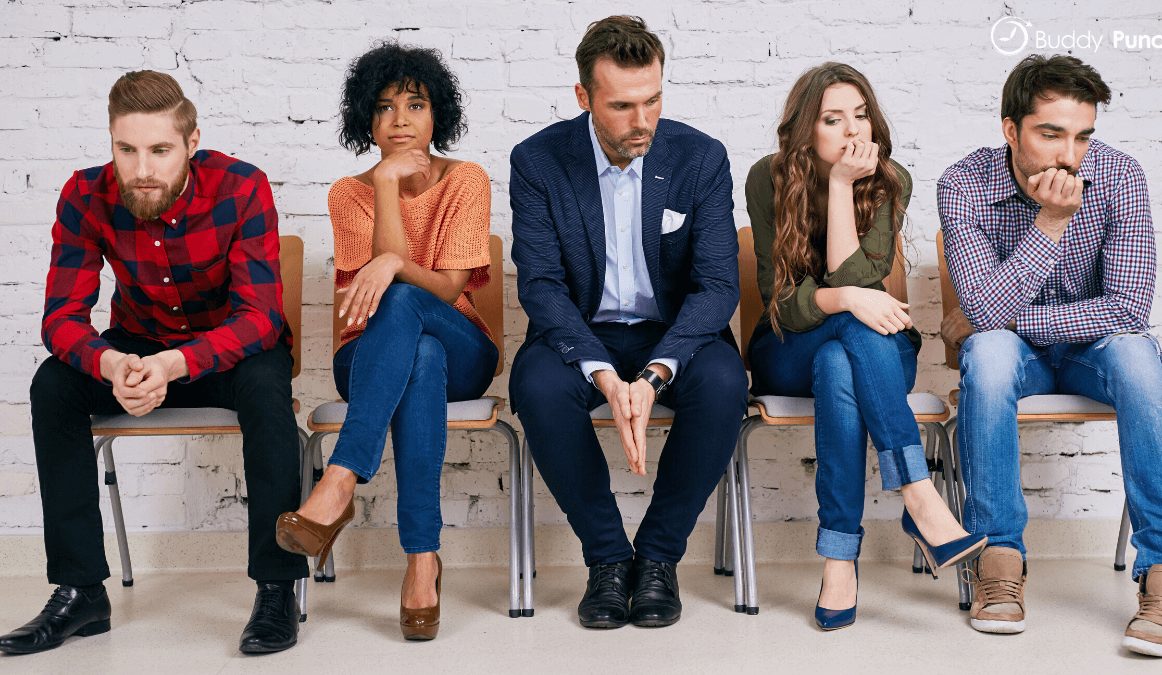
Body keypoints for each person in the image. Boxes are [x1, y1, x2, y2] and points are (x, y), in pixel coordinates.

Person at [0, 71, 307, 655]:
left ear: (191, 143)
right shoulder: (85, 194)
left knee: (269, 392)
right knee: (53, 387)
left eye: (160, 150)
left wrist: (178, 364)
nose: (142, 168)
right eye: (127, 149)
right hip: (137, 346)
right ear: (112, 142)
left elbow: (261, 317)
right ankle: (79, 592)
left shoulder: (241, 187)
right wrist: (111, 362)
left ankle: (276, 589)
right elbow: (60, 318)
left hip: (229, 351)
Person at [939, 53, 1162, 656]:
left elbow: (1129, 310)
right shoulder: (964, 183)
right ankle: (997, 559)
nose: (1068, 154)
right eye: (1050, 133)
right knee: (993, 354)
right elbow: (987, 322)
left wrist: (987, 313)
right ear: (1011, 130)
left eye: (1082, 135)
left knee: (1137, 358)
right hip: (1017, 357)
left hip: (1095, 354)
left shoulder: (1120, 176)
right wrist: (1052, 223)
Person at [508, 16, 748, 630]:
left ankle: (659, 561)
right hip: (579, 333)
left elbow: (719, 285)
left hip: (672, 333)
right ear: (584, 98)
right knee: (535, 387)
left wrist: (654, 374)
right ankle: (609, 561)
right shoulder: (538, 160)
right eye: (621, 105)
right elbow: (540, 286)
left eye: (653, 100)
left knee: (725, 384)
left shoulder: (700, 158)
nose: (642, 121)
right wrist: (605, 377)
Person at [745, 63, 987, 631]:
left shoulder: (888, 178)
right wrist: (846, 296)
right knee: (844, 330)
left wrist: (844, 187)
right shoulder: (767, 179)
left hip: (869, 350)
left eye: (861, 116)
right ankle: (920, 498)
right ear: (805, 130)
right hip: (787, 347)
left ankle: (838, 561)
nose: (852, 132)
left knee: (839, 360)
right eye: (833, 119)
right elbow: (780, 303)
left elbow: (850, 271)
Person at [274, 42, 497, 642]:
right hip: (369, 353)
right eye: (384, 107)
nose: (400, 120)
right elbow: (376, 287)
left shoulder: (466, 180)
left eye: (416, 105)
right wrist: (385, 186)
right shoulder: (349, 193)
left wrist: (393, 263)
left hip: (463, 347)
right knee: (413, 351)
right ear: (365, 121)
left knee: (408, 307)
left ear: (436, 116)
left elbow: (448, 291)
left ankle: (341, 479)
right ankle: (423, 562)